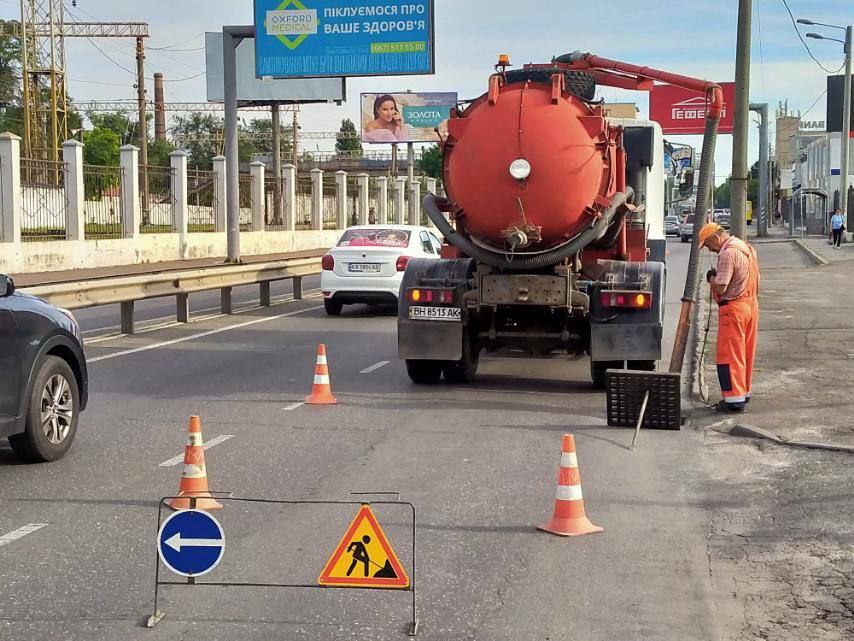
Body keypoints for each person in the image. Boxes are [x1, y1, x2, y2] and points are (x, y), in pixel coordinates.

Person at [700, 223, 761, 413]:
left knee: (730, 356)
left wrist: (711, 278)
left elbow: (721, 287)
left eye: (709, 245)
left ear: (715, 238)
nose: (710, 249)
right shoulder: (746, 248)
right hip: (751, 305)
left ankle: (734, 400)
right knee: (745, 353)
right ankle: (743, 393)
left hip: (734, 310)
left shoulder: (727, 254)